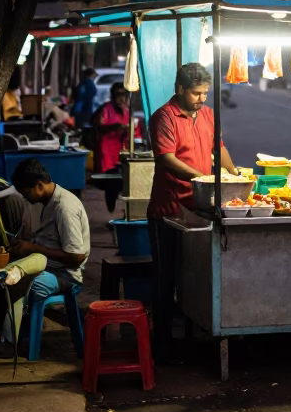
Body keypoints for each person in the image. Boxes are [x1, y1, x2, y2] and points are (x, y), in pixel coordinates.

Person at [147, 62, 238, 359]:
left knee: (194, 278)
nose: (201, 99)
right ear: (180, 89)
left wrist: (235, 174)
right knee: (166, 278)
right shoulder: (164, 117)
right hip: (169, 211)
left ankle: (190, 340)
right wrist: (201, 178)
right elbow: (166, 159)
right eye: (196, 93)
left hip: (199, 208)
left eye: (205, 93)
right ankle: (161, 344)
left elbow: (218, 148)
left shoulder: (209, 115)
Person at [0, 158, 90, 357]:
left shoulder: (65, 208)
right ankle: (18, 335)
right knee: (2, 277)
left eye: (26, 193)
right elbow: (27, 236)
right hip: (41, 265)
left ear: (39, 185)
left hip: (65, 273)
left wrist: (34, 247)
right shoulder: (36, 202)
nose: (25, 198)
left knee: (23, 283)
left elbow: (77, 257)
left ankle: (12, 341)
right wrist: (18, 245)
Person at [93, 82, 132, 172]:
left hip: (120, 150)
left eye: (124, 95)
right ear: (113, 95)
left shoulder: (126, 111)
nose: (121, 98)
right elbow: (99, 127)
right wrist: (115, 126)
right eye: (118, 95)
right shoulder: (105, 109)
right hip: (106, 151)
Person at [71, 67, 98, 131]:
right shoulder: (89, 83)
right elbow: (92, 93)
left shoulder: (83, 82)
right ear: (92, 74)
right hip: (84, 108)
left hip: (79, 108)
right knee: (83, 126)